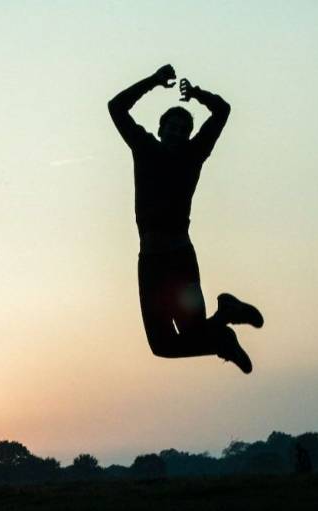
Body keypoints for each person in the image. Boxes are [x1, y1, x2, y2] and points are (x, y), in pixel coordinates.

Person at [109, 64, 263, 373]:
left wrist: (195, 94)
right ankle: (224, 327)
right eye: (172, 127)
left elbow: (222, 110)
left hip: (179, 259)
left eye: (184, 129)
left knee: (191, 332)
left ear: (189, 136)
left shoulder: (193, 155)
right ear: (160, 129)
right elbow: (116, 107)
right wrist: (153, 81)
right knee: (162, 347)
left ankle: (223, 327)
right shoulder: (144, 147)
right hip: (150, 262)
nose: (178, 132)